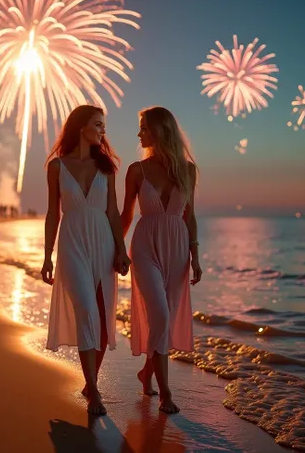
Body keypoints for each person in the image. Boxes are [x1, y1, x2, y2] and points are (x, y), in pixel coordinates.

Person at [41, 105, 131, 416]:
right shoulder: (57, 167)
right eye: (98, 124)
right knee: (87, 311)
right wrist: (46, 255)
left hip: (104, 243)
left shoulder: (107, 168)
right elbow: (53, 213)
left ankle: (90, 381)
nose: (103, 131)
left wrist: (122, 250)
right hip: (72, 243)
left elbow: (113, 213)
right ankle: (94, 392)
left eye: (104, 126)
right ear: (81, 127)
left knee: (103, 318)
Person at [120, 106, 202, 414]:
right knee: (162, 315)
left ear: (160, 130)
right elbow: (125, 214)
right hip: (144, 247)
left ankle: (147, 373)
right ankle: (166, 393)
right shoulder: (136, 170)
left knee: (161, 319)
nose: (139, 133)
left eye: (144, 127)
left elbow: (190, 216)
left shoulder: (188, 171)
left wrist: (195, 256)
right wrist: (116, 248)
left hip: (178, 249)